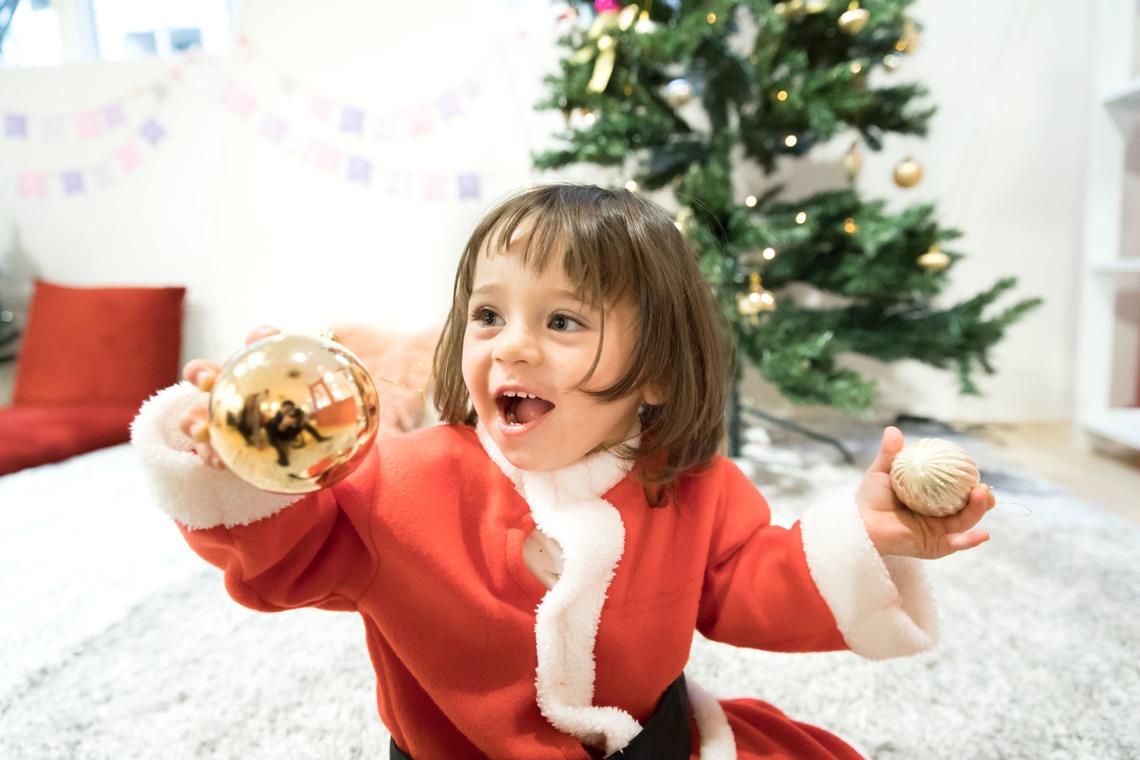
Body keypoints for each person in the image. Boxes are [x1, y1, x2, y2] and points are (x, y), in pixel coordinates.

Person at [131, 183, 994, 759]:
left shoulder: (692, 489)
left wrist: (868, 538)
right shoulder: (400, 483)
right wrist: (245, 466)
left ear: (655, 370)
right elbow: (284, 556)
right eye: (489, 314)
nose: (513, 344)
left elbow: (751, 584)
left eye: (565, 321)